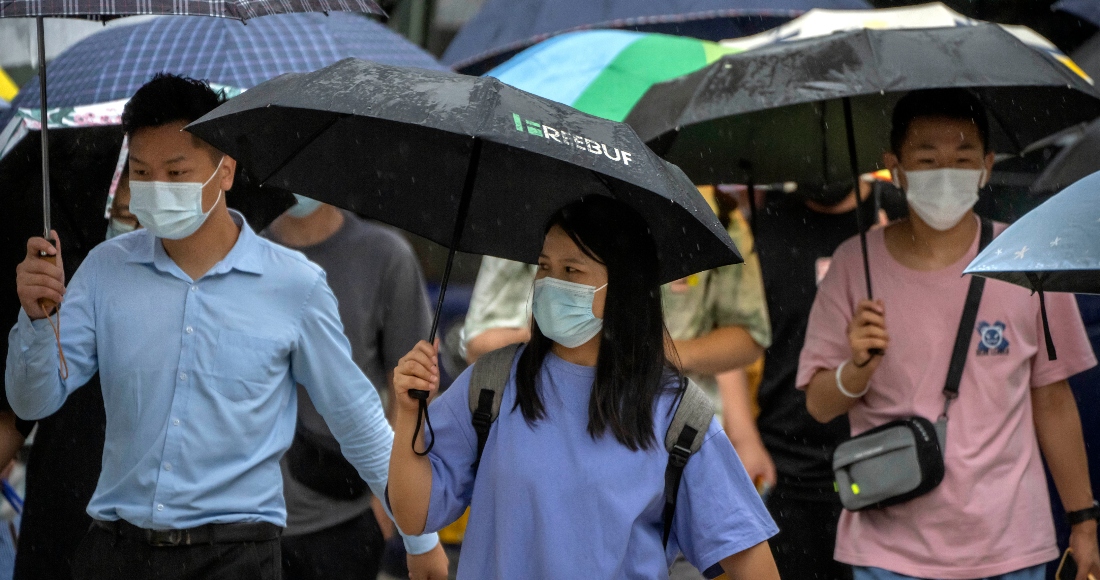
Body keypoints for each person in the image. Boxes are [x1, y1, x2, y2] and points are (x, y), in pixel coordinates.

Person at [5, 73, 446, 580]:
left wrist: (419, 535)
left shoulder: (294, 286)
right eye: (142, 173)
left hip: (235, 558)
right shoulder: (106, 270)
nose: (156, 190)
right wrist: (38, 320)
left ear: (226, 171)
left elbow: (358, 422)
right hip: (116, 552)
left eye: (176, 172)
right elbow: (33, 401)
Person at [388, 196, 780, 579]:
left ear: (623, 287)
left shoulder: (677, 413)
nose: (549, 283)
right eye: (543, 267)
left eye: (572, 271)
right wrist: (409, 413)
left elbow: (750, 559)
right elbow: (413, 513)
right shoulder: (492, 383)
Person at [798, 88, 1100, 580]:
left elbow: (1054, 400)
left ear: (986, 165)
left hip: (1011, 549)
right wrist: (856, 370)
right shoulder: (854, 264)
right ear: (895, 167)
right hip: (887, 553)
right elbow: (818, 404)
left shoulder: (1028, 261)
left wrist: (1083, 522)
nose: (946, 172)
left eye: (962, 157)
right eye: (927, 157)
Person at [263, 195, 433, 580]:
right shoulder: (241, 251)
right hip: (249, 517)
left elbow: (415, 392)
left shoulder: (385, 255)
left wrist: (388, 501)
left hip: (346, 508)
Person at [749, 177, 905, 580]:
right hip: (785, 454)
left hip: (883, 454)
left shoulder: (898, 217)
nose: (823, 168)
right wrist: (744, 436)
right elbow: (741, 329)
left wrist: (892, 259)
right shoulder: (763, 224)